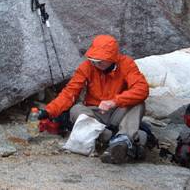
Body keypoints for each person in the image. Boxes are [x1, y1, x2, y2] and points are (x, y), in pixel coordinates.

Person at [38, 34, 149, 164]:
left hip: (117, 111)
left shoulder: (126, 64)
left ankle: (122, 140)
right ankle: (114, 138)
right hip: (94, 114)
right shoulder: (87, 67)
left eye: (100, 59)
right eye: (93, 59)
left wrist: (115, 101)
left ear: (112, 57)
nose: (96, 62)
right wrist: (48, 111)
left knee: (138, 104)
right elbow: (69, 93)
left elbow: (142, 89)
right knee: (76, 109)